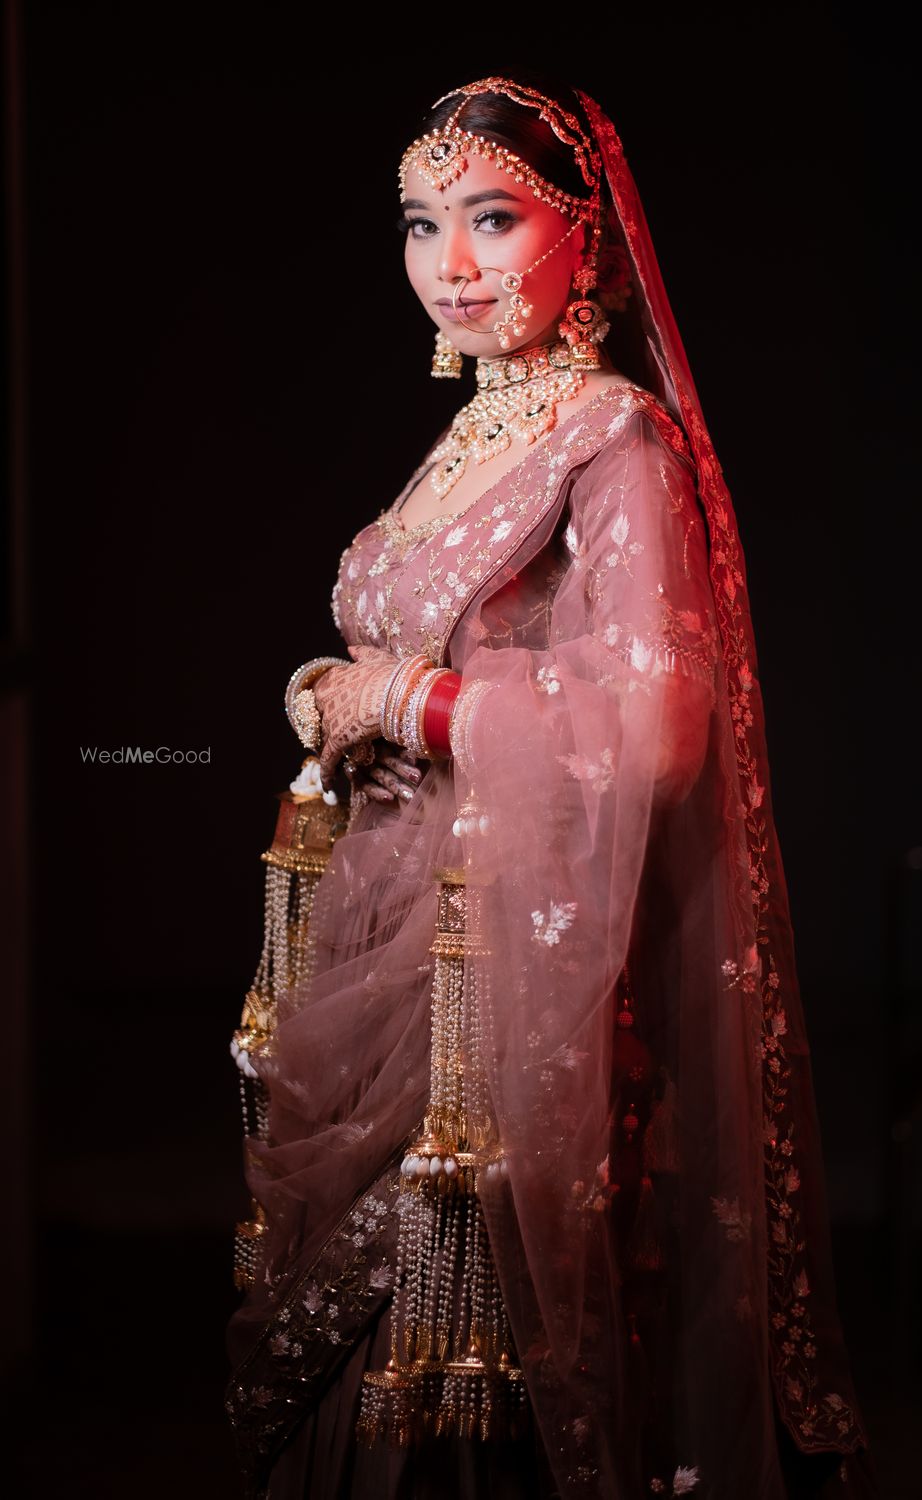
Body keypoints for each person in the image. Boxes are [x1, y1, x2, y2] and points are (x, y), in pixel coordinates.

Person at [224, 75, 879, 1500]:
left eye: (493, 218)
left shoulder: (612, 437)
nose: (449, 265)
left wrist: (405, 701)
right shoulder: (480, 429)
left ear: (588, 238)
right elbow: (414, 645)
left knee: (454, 1356)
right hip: (384, 927)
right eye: (421, 224)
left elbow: (657, 733)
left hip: (502, 972)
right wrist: (335, 689)